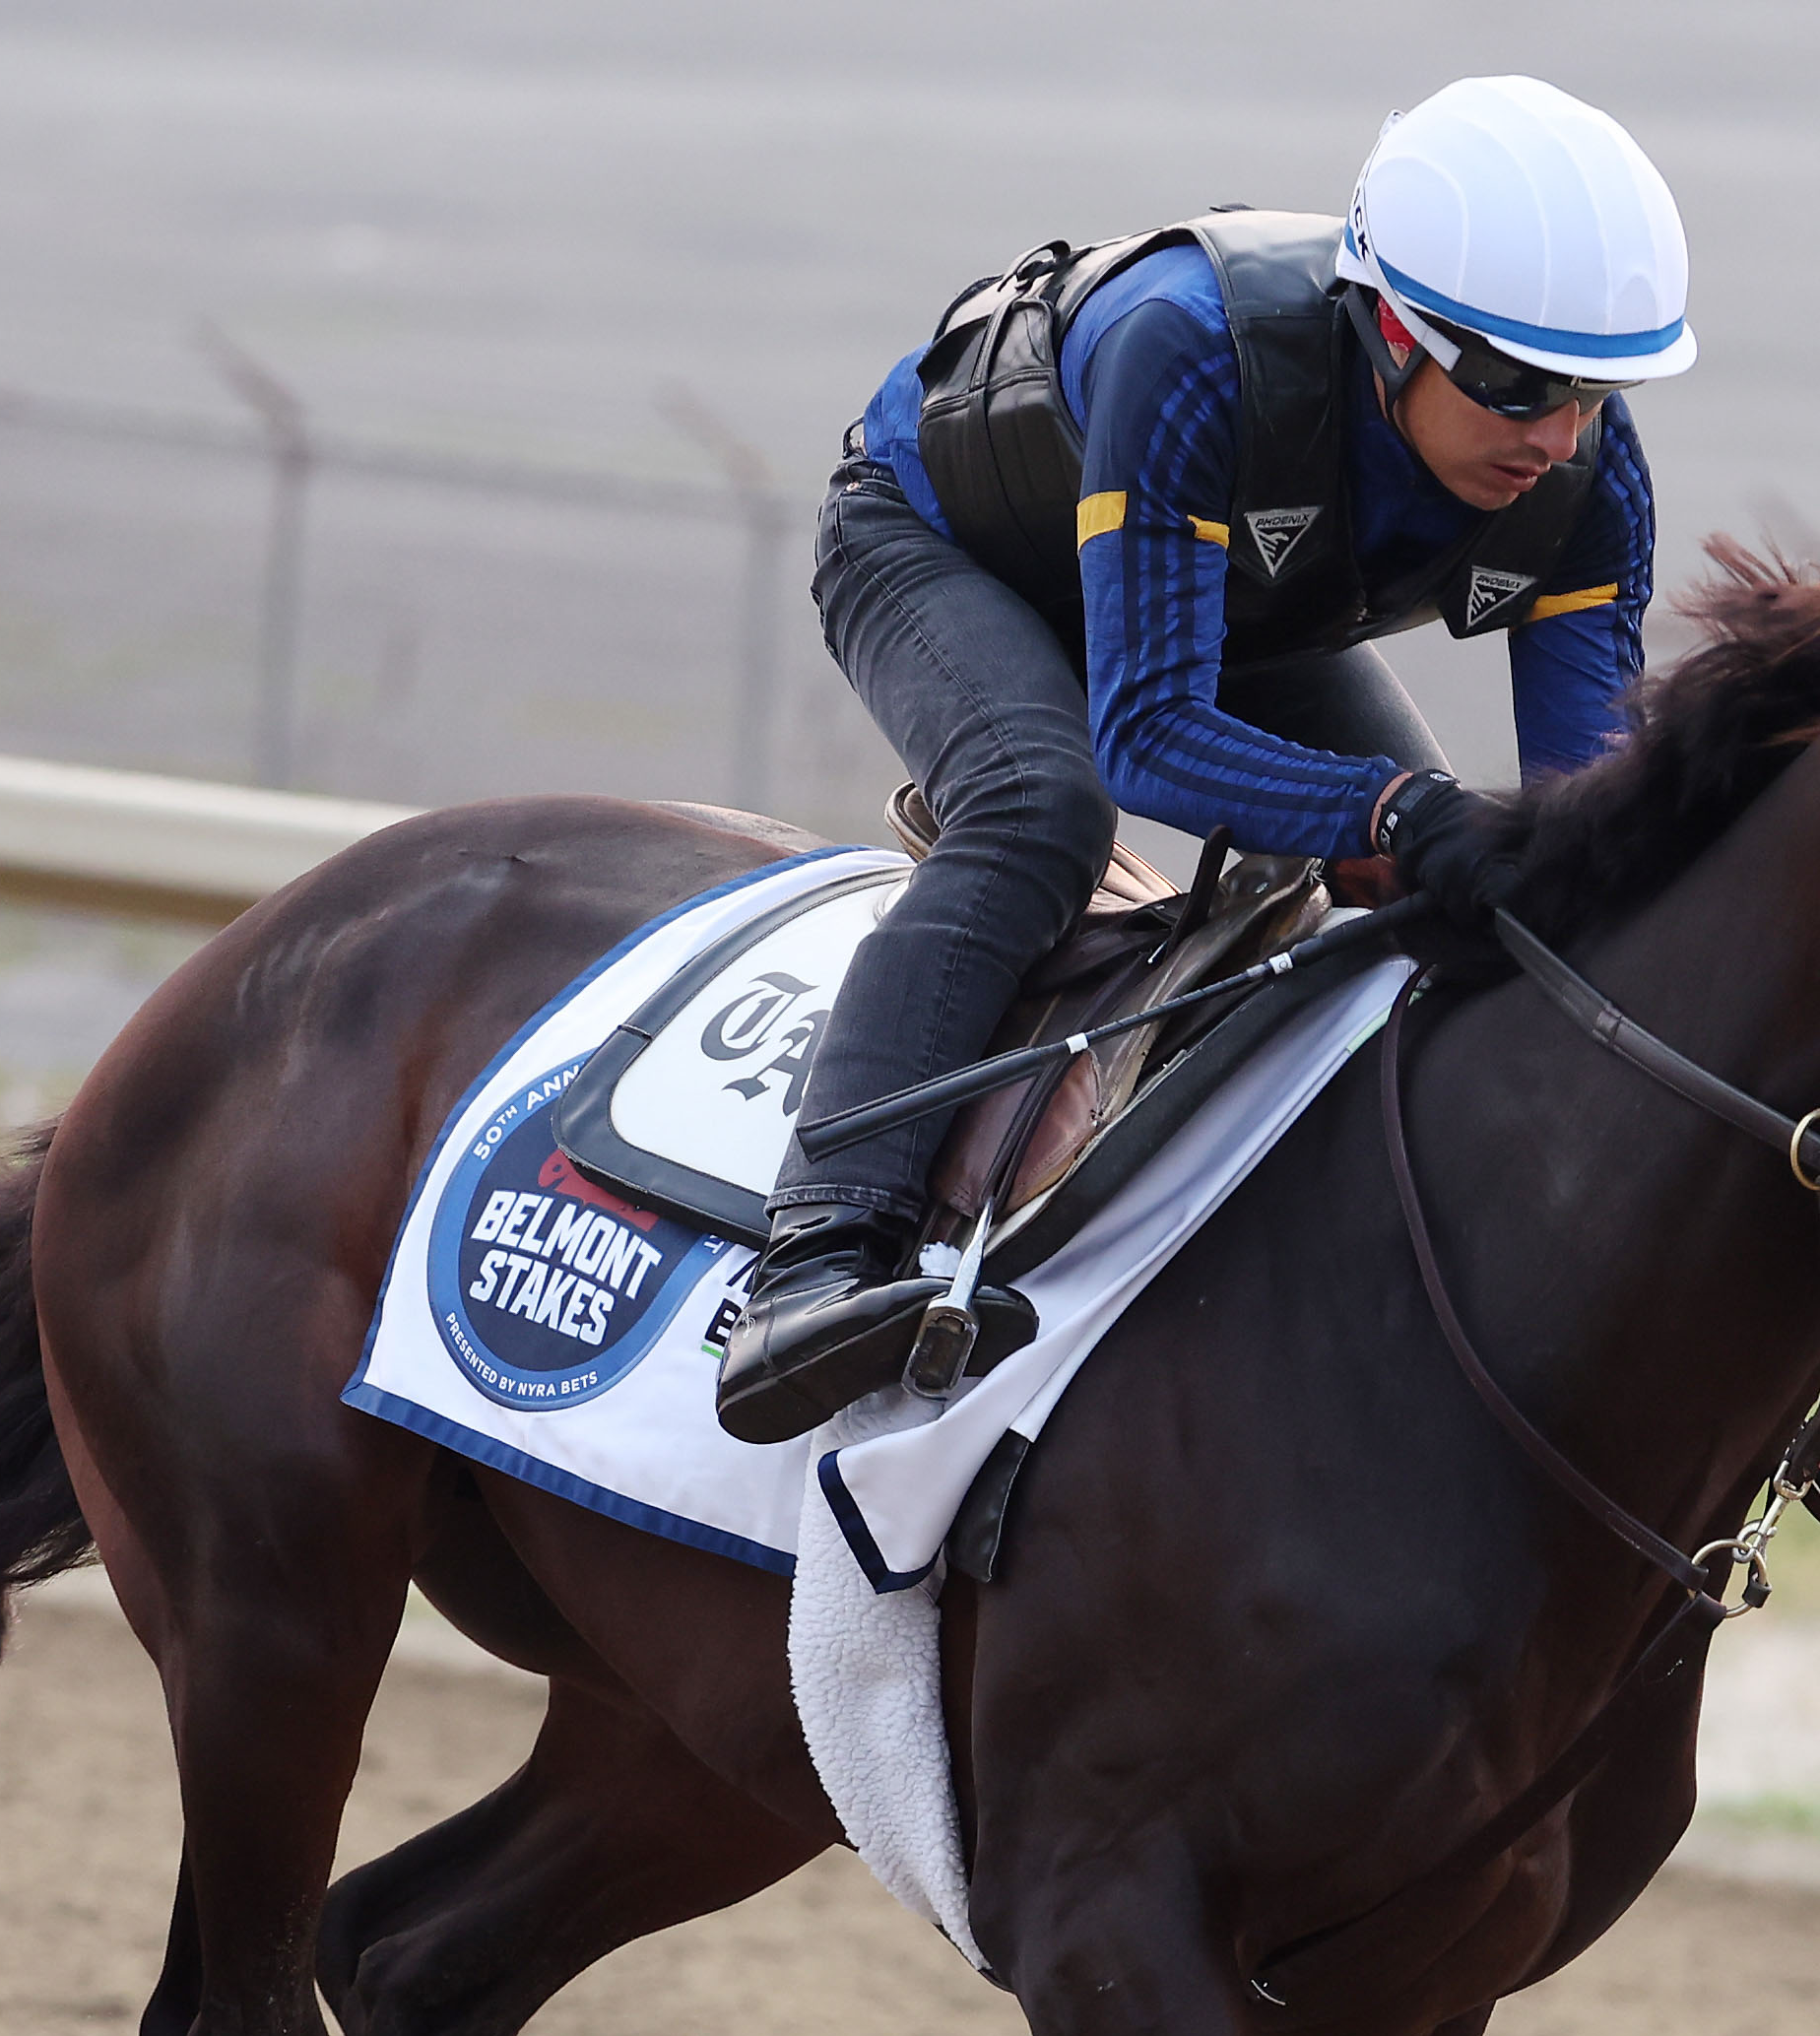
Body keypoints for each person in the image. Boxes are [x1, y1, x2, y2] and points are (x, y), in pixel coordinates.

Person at [717, 75, 1696, 1443]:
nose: (1558, 437)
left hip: (1219, 583)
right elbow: (1149, 733)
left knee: (1448, 905)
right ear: (1394, 330)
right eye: (1519, 386)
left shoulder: (1588, 476)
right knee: (1040, 811)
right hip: (942, 550)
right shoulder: (1192, 348)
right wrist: (1401, 805)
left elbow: (1590, 821)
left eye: (1599, 392)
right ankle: (814, 1256)